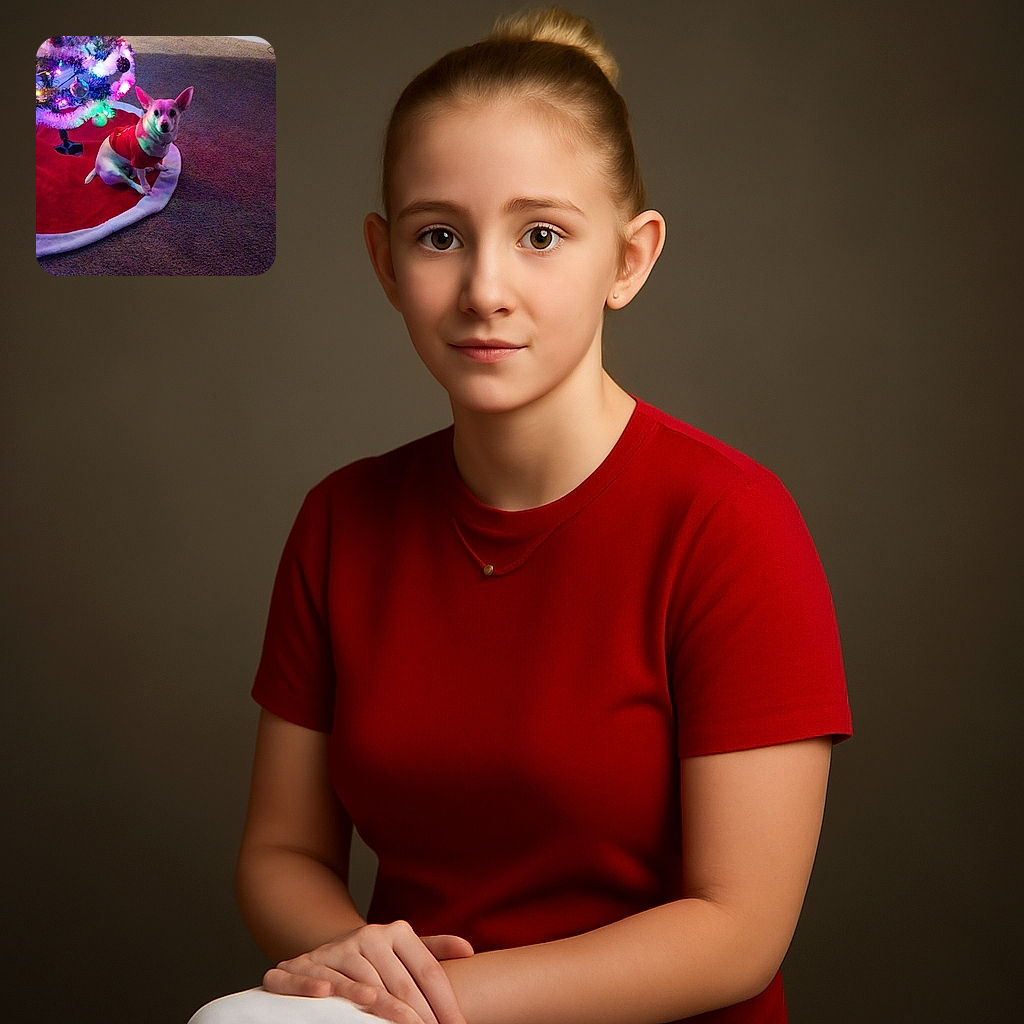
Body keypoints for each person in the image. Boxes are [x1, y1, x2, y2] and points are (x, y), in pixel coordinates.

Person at [188, 8, 851, 1024]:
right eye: (439, 236)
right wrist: (351, 959)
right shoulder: (341, 521)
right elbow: (280, 852)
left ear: (628, 259)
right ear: (383, 261)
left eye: (540, 234)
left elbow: (737, 928)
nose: (484, 288)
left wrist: (435, 1006)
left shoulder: (729, 525)